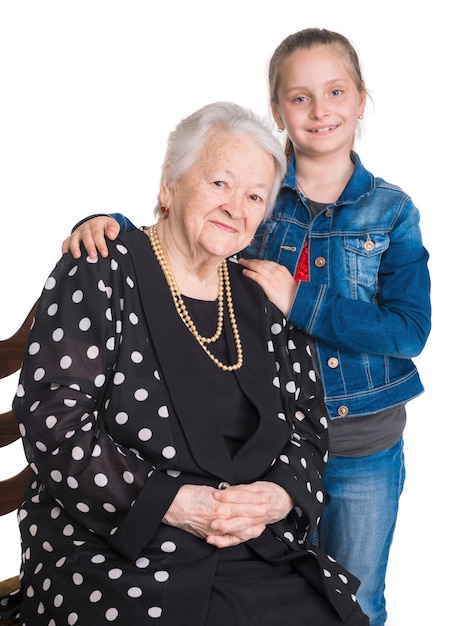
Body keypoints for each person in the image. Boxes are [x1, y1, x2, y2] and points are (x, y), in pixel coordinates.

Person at [63, 28, 431, 626]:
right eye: (299, 97)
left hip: (363, 434)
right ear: (279, 111)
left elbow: (410, 329)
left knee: (355, 594)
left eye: (336, 91)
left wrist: (300, 300)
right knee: (283, 576)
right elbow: (182, 228)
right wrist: (104, 222)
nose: (320, 110)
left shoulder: (390, 211)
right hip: (267, 440)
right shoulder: (260, 192)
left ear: (363, 99)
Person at [0, 102, 369, 625]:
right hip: (113, 546)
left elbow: (309, 421)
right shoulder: (100, 270)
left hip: (246, 543)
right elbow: (53, 425)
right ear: (169, 186)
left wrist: (276, 497)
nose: (235, 207)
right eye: (219, 182)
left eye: (254, 195)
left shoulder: (262, 296)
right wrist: (169, 502)